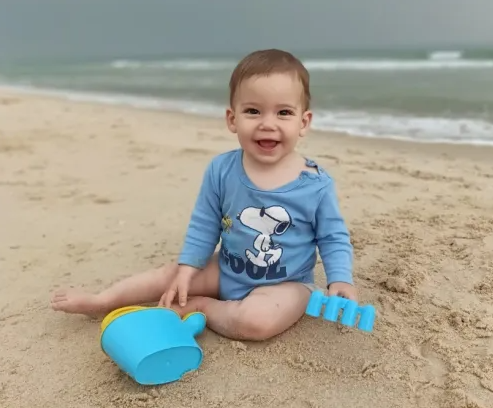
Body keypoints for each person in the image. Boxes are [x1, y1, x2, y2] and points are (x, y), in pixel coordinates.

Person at [51, 49, 357, 341]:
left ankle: (203, 307)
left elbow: (333, 237)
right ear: (232, 119)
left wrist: (340, 279)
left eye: (284, 113)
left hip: (286, 284)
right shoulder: (222, 169)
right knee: (169, 276)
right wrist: (188, 268)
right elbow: (205, 223)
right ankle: (102, 300)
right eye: (253, 111)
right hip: (227, 268)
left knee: (257, 321)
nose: (268, 124)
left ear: (303, 122)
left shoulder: (315, 185)